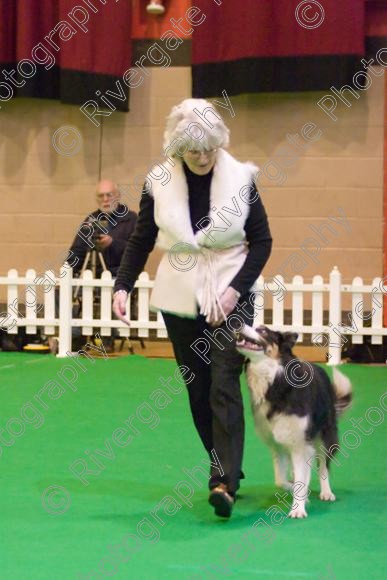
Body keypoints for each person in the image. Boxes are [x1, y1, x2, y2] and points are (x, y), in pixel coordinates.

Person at [113, 99, 272, 518]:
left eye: (209, 149)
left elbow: (263, 241)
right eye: (193, 150)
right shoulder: (158, 180)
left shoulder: (241, 178)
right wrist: (122, 284)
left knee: (223, 380)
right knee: (197, 388)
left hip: (232, 286)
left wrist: (237, 290)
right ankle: (222, 465)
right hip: (181, 293)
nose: (202, 158)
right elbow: (142, 238)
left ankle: (225, 481)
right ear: (177, 148)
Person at [69, 180, 137, 278]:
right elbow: (77, 250)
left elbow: (137, 251)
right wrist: (66, 274)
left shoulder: (131, 219)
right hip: (93, 278)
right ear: (96, 199)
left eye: (109, 195)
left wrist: (112, 243)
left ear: (118, 196)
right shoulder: (91, 220)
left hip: (121, 277)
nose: (105, 199)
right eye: (101, 196)